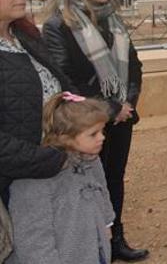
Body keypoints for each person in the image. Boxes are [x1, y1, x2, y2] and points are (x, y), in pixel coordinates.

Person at [42, 0, 149, 262]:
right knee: (87, 182)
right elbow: (65, 78)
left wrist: (128, 103)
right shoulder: (58, 25)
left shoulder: (112, 19)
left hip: (120, 119)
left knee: (114, 178)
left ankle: (116, 239)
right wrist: (110, 108)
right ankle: (90, 243)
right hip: (85, 122)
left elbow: (135, 66)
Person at [0, 0, 68, 243]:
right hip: (14, 185)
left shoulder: (25, 36)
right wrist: (52, 159)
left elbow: (60, 86)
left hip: (48, 174)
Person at [7, 92, 115, 264]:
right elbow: (33, 241)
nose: (102, 137)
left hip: (94, 250)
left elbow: (102, 190)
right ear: (66, 137)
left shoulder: (91, 160)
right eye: (93, 134)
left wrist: (107, 222)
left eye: (102, 130)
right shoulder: (34, 180)